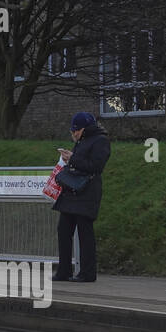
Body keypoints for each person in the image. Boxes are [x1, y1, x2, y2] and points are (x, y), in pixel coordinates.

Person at [53, 111, 111, 282]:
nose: (73, 134)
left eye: (76, 131)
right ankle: (64, 271)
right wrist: (70, 159)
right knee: (63, 230)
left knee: (85, 232)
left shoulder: (101, 141)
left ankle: (87, 273)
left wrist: (73, 158)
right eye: (72, 131)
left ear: (85, 128)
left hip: (87, 191)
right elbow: (80, 162)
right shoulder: (83, 140)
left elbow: (96, 166)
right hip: (73, 191)